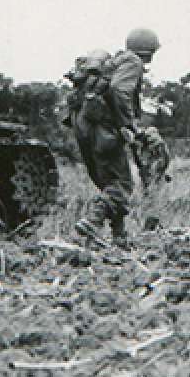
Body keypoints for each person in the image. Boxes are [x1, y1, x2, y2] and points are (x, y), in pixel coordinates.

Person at [71, 28, 159, 245]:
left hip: (85, 126)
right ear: (148, 51)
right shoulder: (133, 63)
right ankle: (93, 219)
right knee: (122, 185)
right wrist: (127, 125)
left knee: (110, 183)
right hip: (105, 130)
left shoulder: (114, 63)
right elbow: (120, 91)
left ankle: (119, 235)